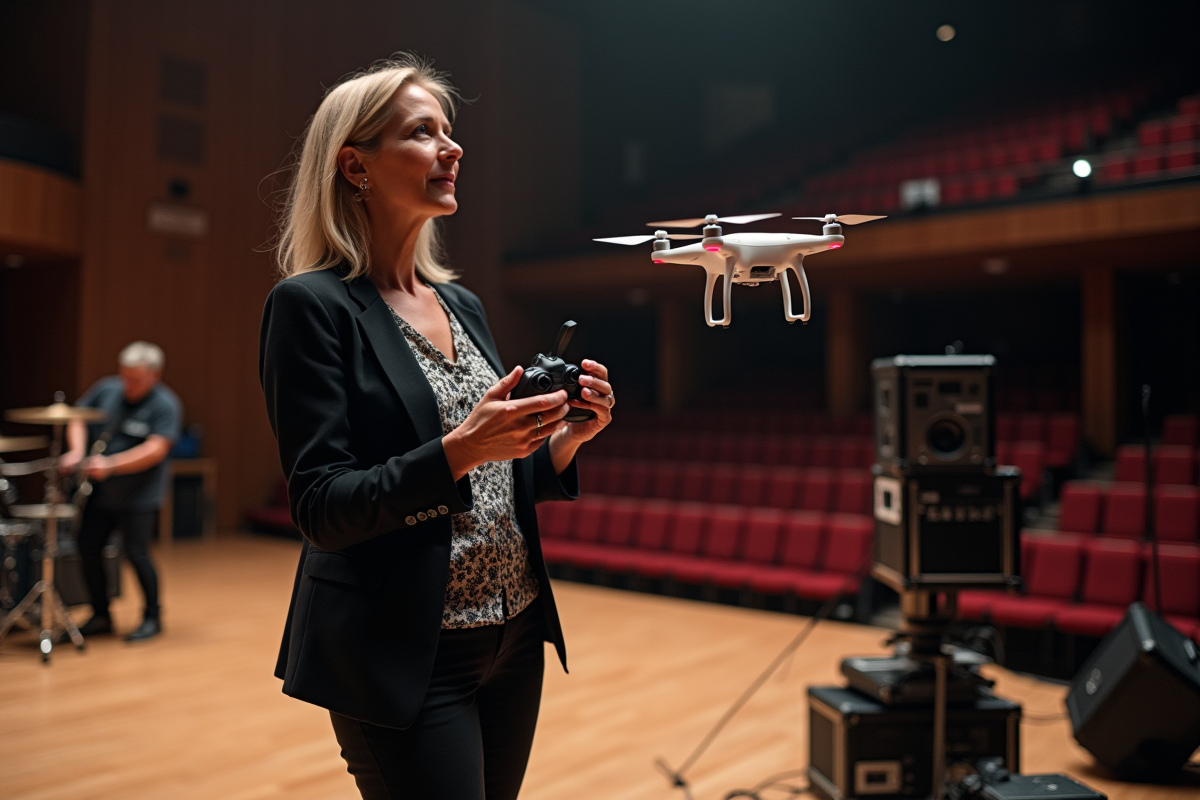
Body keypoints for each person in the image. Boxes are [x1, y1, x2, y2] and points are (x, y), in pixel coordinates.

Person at [259, 54, 614, 800]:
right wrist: (460, 447)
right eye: (423, 133)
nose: (452, 148)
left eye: (449, 132)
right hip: (403, 648)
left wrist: (565, 438)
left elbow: (496, 475)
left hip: (513, 634)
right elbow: (323, 507)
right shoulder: (311, 306)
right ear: (355, 166)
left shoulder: (463, 304)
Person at [60, 341, 181, 642]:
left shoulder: (166, 405)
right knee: (87, 547)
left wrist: (111, 464)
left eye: (136, 379)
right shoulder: (106, 389)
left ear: (155, 375)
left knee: (137, 554)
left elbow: (156, 449)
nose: (128, 384)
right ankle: (101, 614)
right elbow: (78, 416)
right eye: (125, 376)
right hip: (101, 493)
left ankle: (152, 616)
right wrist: (76, 451)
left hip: (139, 496)